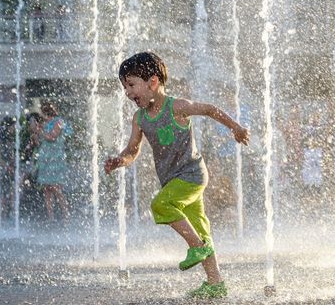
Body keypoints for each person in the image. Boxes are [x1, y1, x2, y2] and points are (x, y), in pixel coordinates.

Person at [104, 52, 249, 298]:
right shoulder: (139, 119)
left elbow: (209, 110)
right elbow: (132, 150)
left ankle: (196, 247)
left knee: (160, 204)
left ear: (152, 82)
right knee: (201, 228)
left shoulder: (176, 107)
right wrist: (120, 160)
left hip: (192, 174)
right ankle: (215, 284)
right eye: (124, 87)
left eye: (131, 85)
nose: (127, 92)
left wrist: (236, 127)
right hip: (174, 181)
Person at [36, 101, 72, 223]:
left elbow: (52, 137)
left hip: (55, 158)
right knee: (47, 188)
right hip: (45, 158)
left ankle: (66, 215)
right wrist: (36, 132)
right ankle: (50, 217)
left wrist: (40, 131)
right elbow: (40, 141)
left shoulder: (59, 121)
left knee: (56, 187)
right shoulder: (45, 123)